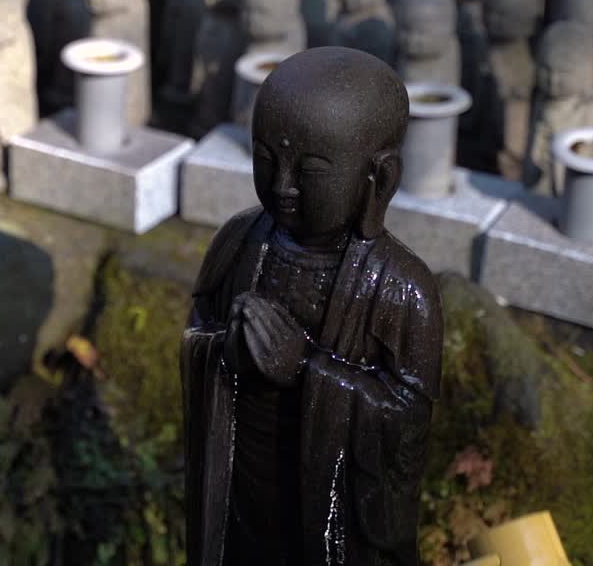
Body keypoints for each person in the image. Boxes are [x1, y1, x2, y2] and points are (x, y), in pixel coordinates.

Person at [182, 47, 444, 566]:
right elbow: (197, 334)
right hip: (240, 483)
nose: (282, 186)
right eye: (266, 159)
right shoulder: (238, 241)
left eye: (311, 171)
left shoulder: (401, 288)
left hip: (327, 515)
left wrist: (305, 368)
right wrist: (224, 349)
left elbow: (407, 422)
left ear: (381, 179)